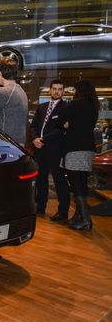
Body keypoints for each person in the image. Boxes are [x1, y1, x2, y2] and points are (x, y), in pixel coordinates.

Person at [57, 80, 99, 231]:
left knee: (75, 185)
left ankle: (86, 219)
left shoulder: (76, 104)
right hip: (88, 149)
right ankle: (78, 217)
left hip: (74, 148)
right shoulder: (95, 106)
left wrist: (68, 125)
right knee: (81, 183)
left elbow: (60, 120)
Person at [30, 79, 70, 221]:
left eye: (60, 89)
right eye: (54, 88)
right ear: (50, 90)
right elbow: (33, 125)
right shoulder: (42, 107)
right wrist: (35, 139)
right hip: (39, 149)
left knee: (59, 181)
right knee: (41, 180)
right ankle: (40, 208)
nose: (57, 91)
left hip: (55, 149)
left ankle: (63, 212)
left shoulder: (66, 107)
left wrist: (43, 140)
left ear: (63, 91)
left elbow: (60, 130)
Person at [0, 57, 29, 146]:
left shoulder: (3, 92)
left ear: (0, 73)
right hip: (19, 143)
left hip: (6, 143)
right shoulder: (21, 90)